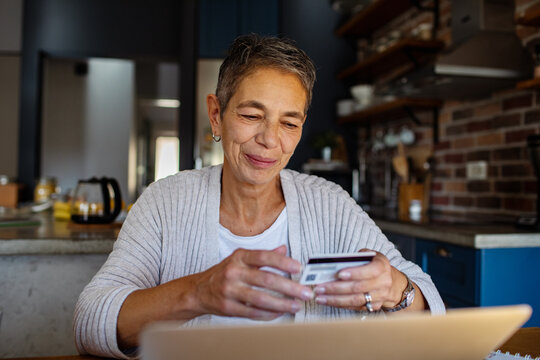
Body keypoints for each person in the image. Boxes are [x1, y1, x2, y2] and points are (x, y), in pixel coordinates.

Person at [73, 34, 445, 359]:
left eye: (289, 123)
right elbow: (90, 322)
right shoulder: (164, 202)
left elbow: (434, 316)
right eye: (252, 115)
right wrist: (198, 293)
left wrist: (395, 289)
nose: (270, 140)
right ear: (216, 115)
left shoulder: (331, 205)